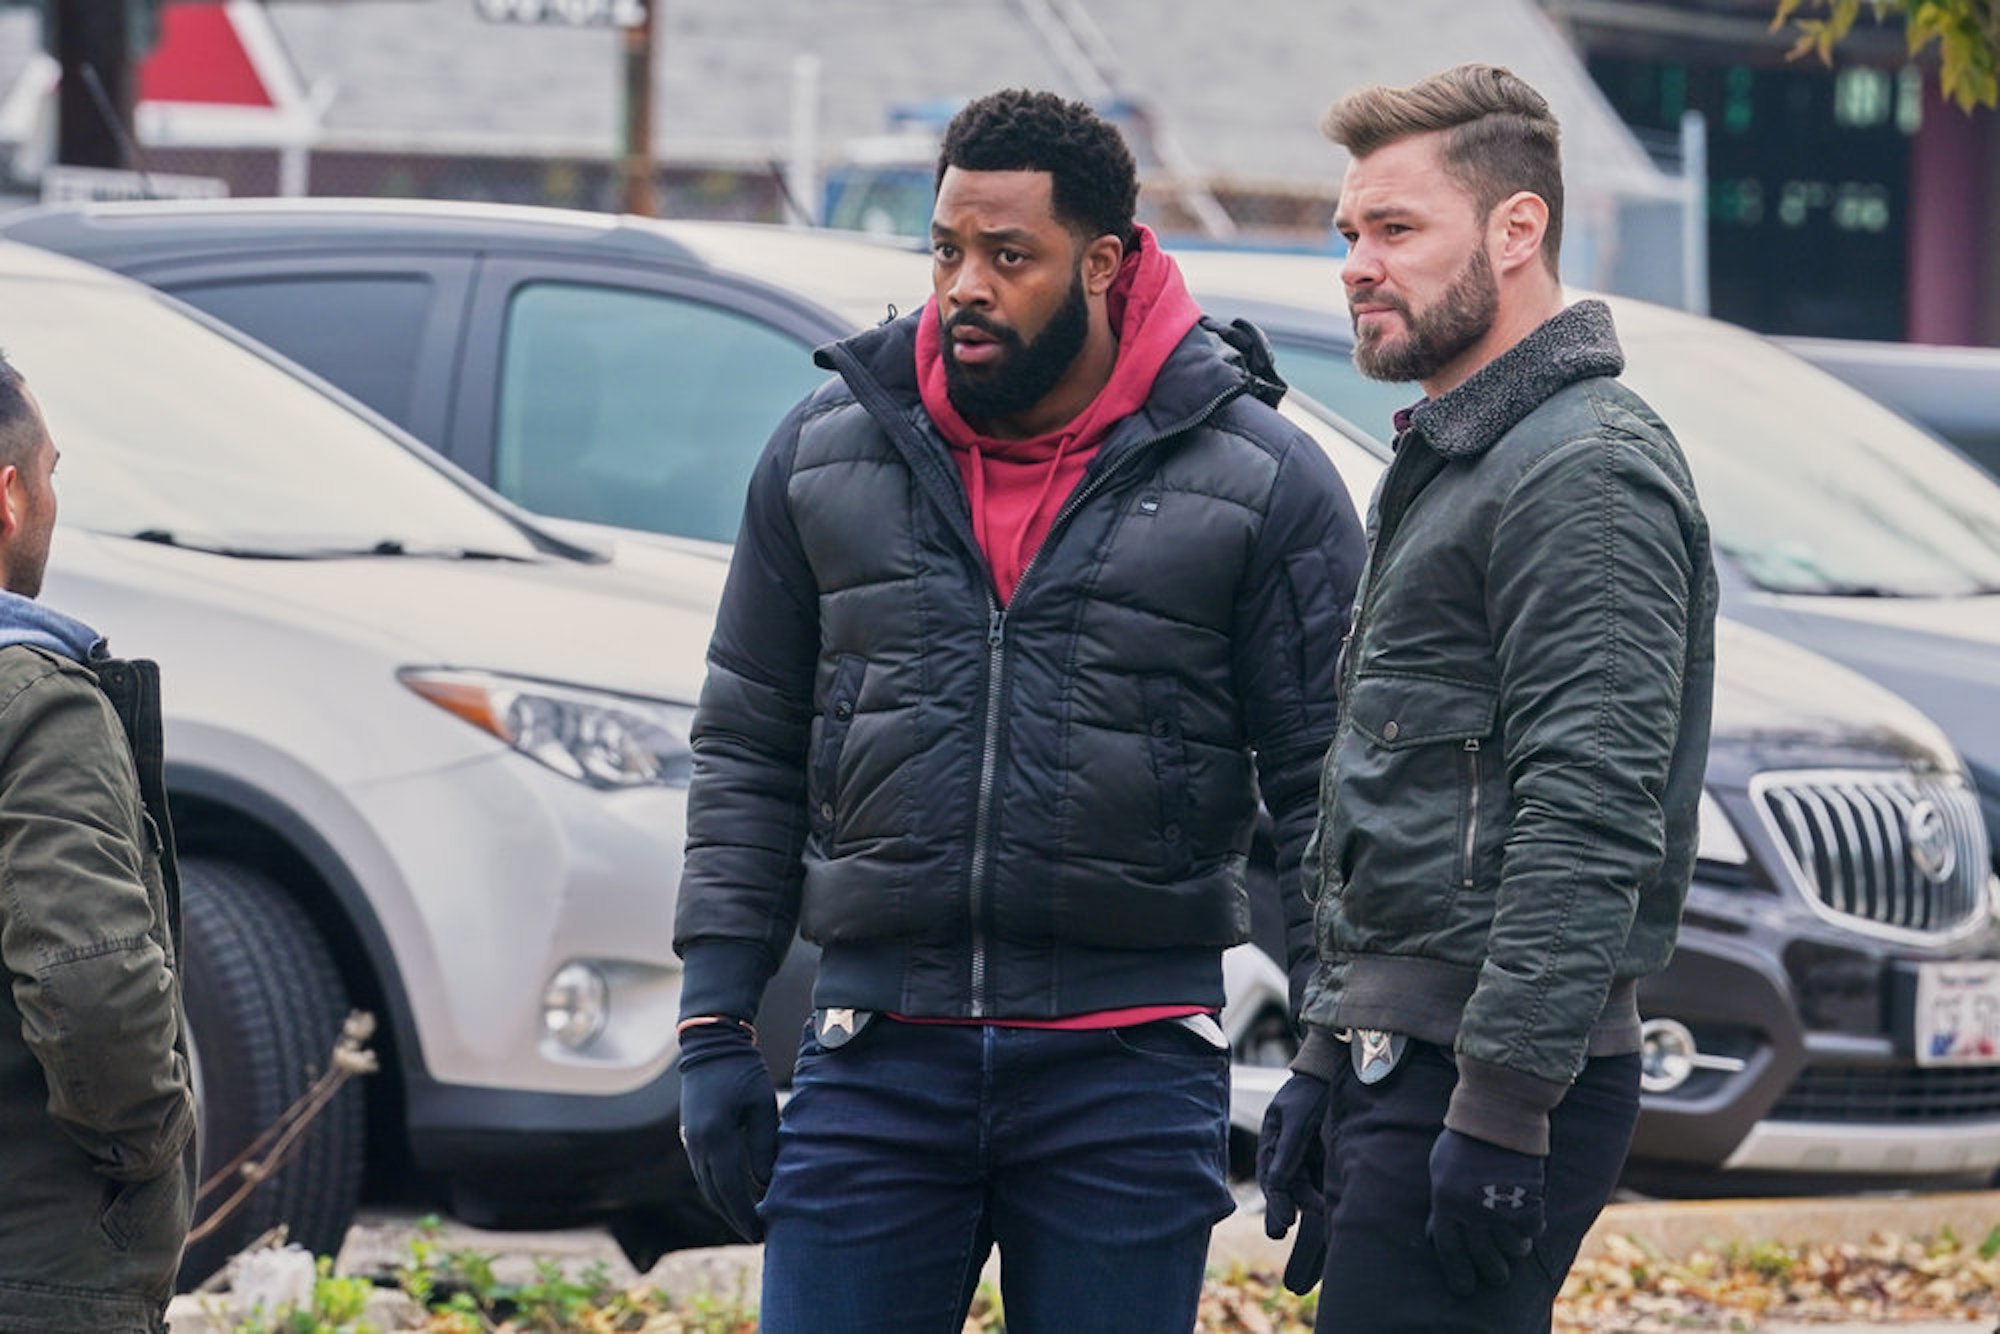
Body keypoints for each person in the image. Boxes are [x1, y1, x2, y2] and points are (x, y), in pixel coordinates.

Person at [672, 88, 1365, 1332]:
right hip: (876, 1049)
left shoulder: (1257, 477)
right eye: (945, 250)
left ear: (1103, 263)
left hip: (1128, 1066)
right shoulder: (827, 453)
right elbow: (748, 740)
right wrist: (716, 1014)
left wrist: (1330, 1048)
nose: (963, 288)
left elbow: (1330, 786)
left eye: (1008, 256)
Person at [1256, 64, 1718, 1331]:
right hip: (1396, 1060)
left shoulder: (1582, 473)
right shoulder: (1458, 457)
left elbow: (1590, 812)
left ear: (1517, 230)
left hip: (1493, 1077)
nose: (1355, 263)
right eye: (1348, 232)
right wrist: (1321, 1046)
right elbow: (1390, 802)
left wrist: (1504, 1103)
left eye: (1395, 229)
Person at [0, 351, 195, 1332]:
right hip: (37, 1268)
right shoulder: (38, 707)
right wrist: (151, 1148)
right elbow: (88, 983)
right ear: (7, 496)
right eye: (52, 472)